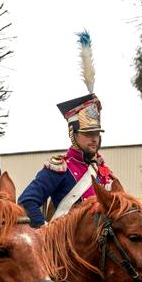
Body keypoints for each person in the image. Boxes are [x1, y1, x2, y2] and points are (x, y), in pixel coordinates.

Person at [18, 31, 114, 227]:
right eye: (87, 134)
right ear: (73, 134)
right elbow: (27, 201)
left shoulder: (102, 171)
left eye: (96, 134)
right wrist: (47, 234)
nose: (94, 139)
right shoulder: (60, 168)